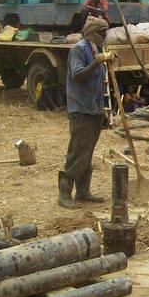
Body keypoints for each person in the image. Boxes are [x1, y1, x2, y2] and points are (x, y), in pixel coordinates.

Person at [59, 16, 113, 209]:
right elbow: (78, 75)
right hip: (80, 108)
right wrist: (97, 62)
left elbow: (99, 85)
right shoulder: (79, 49)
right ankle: (64, 194)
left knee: (87, 153)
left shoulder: (95, 49)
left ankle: (83, 191)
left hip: (93, 109)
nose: (105, 35)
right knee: (77, 152)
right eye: (102, 32)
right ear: (91, 32)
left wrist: (103, 111)